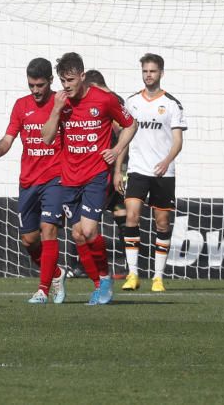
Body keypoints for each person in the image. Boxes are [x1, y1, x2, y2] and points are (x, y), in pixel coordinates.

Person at [42, 52, 136, 305]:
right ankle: (99, 284)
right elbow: (47, 138)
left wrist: (116, 151)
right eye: (63, 81)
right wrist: (56, 110)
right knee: (78, 235)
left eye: (71, 79)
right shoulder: (61, 102)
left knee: (89, 229)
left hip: (96, 176)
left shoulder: (104, 100)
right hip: (69, 178)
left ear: (82, 76)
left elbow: (131, 124)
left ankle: (105, 279)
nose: (67, 86)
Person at [0, 58, 67, 304]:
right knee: (29, 239)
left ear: (50, 82)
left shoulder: (61, 103)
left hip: (55, 178)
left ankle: (43, 290)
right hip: (28, 181)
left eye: (40, 85)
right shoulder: (21, 106)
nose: (35, 90)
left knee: (48, 229)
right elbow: (8, 138)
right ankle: (56, 273)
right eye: (31, 85)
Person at [116, 53, 186, 292]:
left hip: (163, 173)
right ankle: (133, 274)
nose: (148, 75)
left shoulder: (172, 104)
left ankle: (157, 277)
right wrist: (118, 170)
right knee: (131, 216)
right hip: (137, 170)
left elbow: (178, 140)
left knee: (163, 223)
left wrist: (167, 160)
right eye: (145, 71)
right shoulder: (132, 102)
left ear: (161, 73)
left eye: (153, 71)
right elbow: (124, 140)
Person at [83, 69, 128, 276]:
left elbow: (121, 135)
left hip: (112, 166)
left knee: (97, 214)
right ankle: (127, 264)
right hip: (107, 165)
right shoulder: (115, 99)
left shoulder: (108, 100)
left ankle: (95, 265)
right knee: (117, 211)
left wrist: (117, 168)